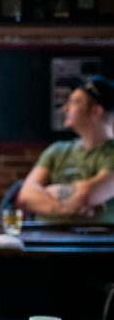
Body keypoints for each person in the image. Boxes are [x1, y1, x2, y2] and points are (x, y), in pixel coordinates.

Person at [17, 75, 114, 223]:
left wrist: (49, 191)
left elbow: (87, 194)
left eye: (74, 102)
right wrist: (65, 208)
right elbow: (26, 194)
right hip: (42, 241)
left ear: (96, 111)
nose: (65, 108)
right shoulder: (57, 150)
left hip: (96, 243)